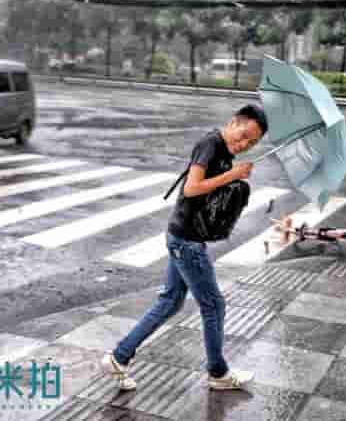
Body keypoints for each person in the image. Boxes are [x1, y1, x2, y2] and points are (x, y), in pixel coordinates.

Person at [102, 104, 268, 391]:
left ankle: (119, 357)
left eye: (251, 143)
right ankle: (218, 373)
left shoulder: (225, 151)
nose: (243, 145)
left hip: (184, 236)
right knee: (213, 304)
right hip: (186, 241)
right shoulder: (211, 144)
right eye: (243, 135)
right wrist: (233, 175)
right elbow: (192, 188)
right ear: (233, 121)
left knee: (170, 302)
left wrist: (235, 178)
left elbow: (208, 192)